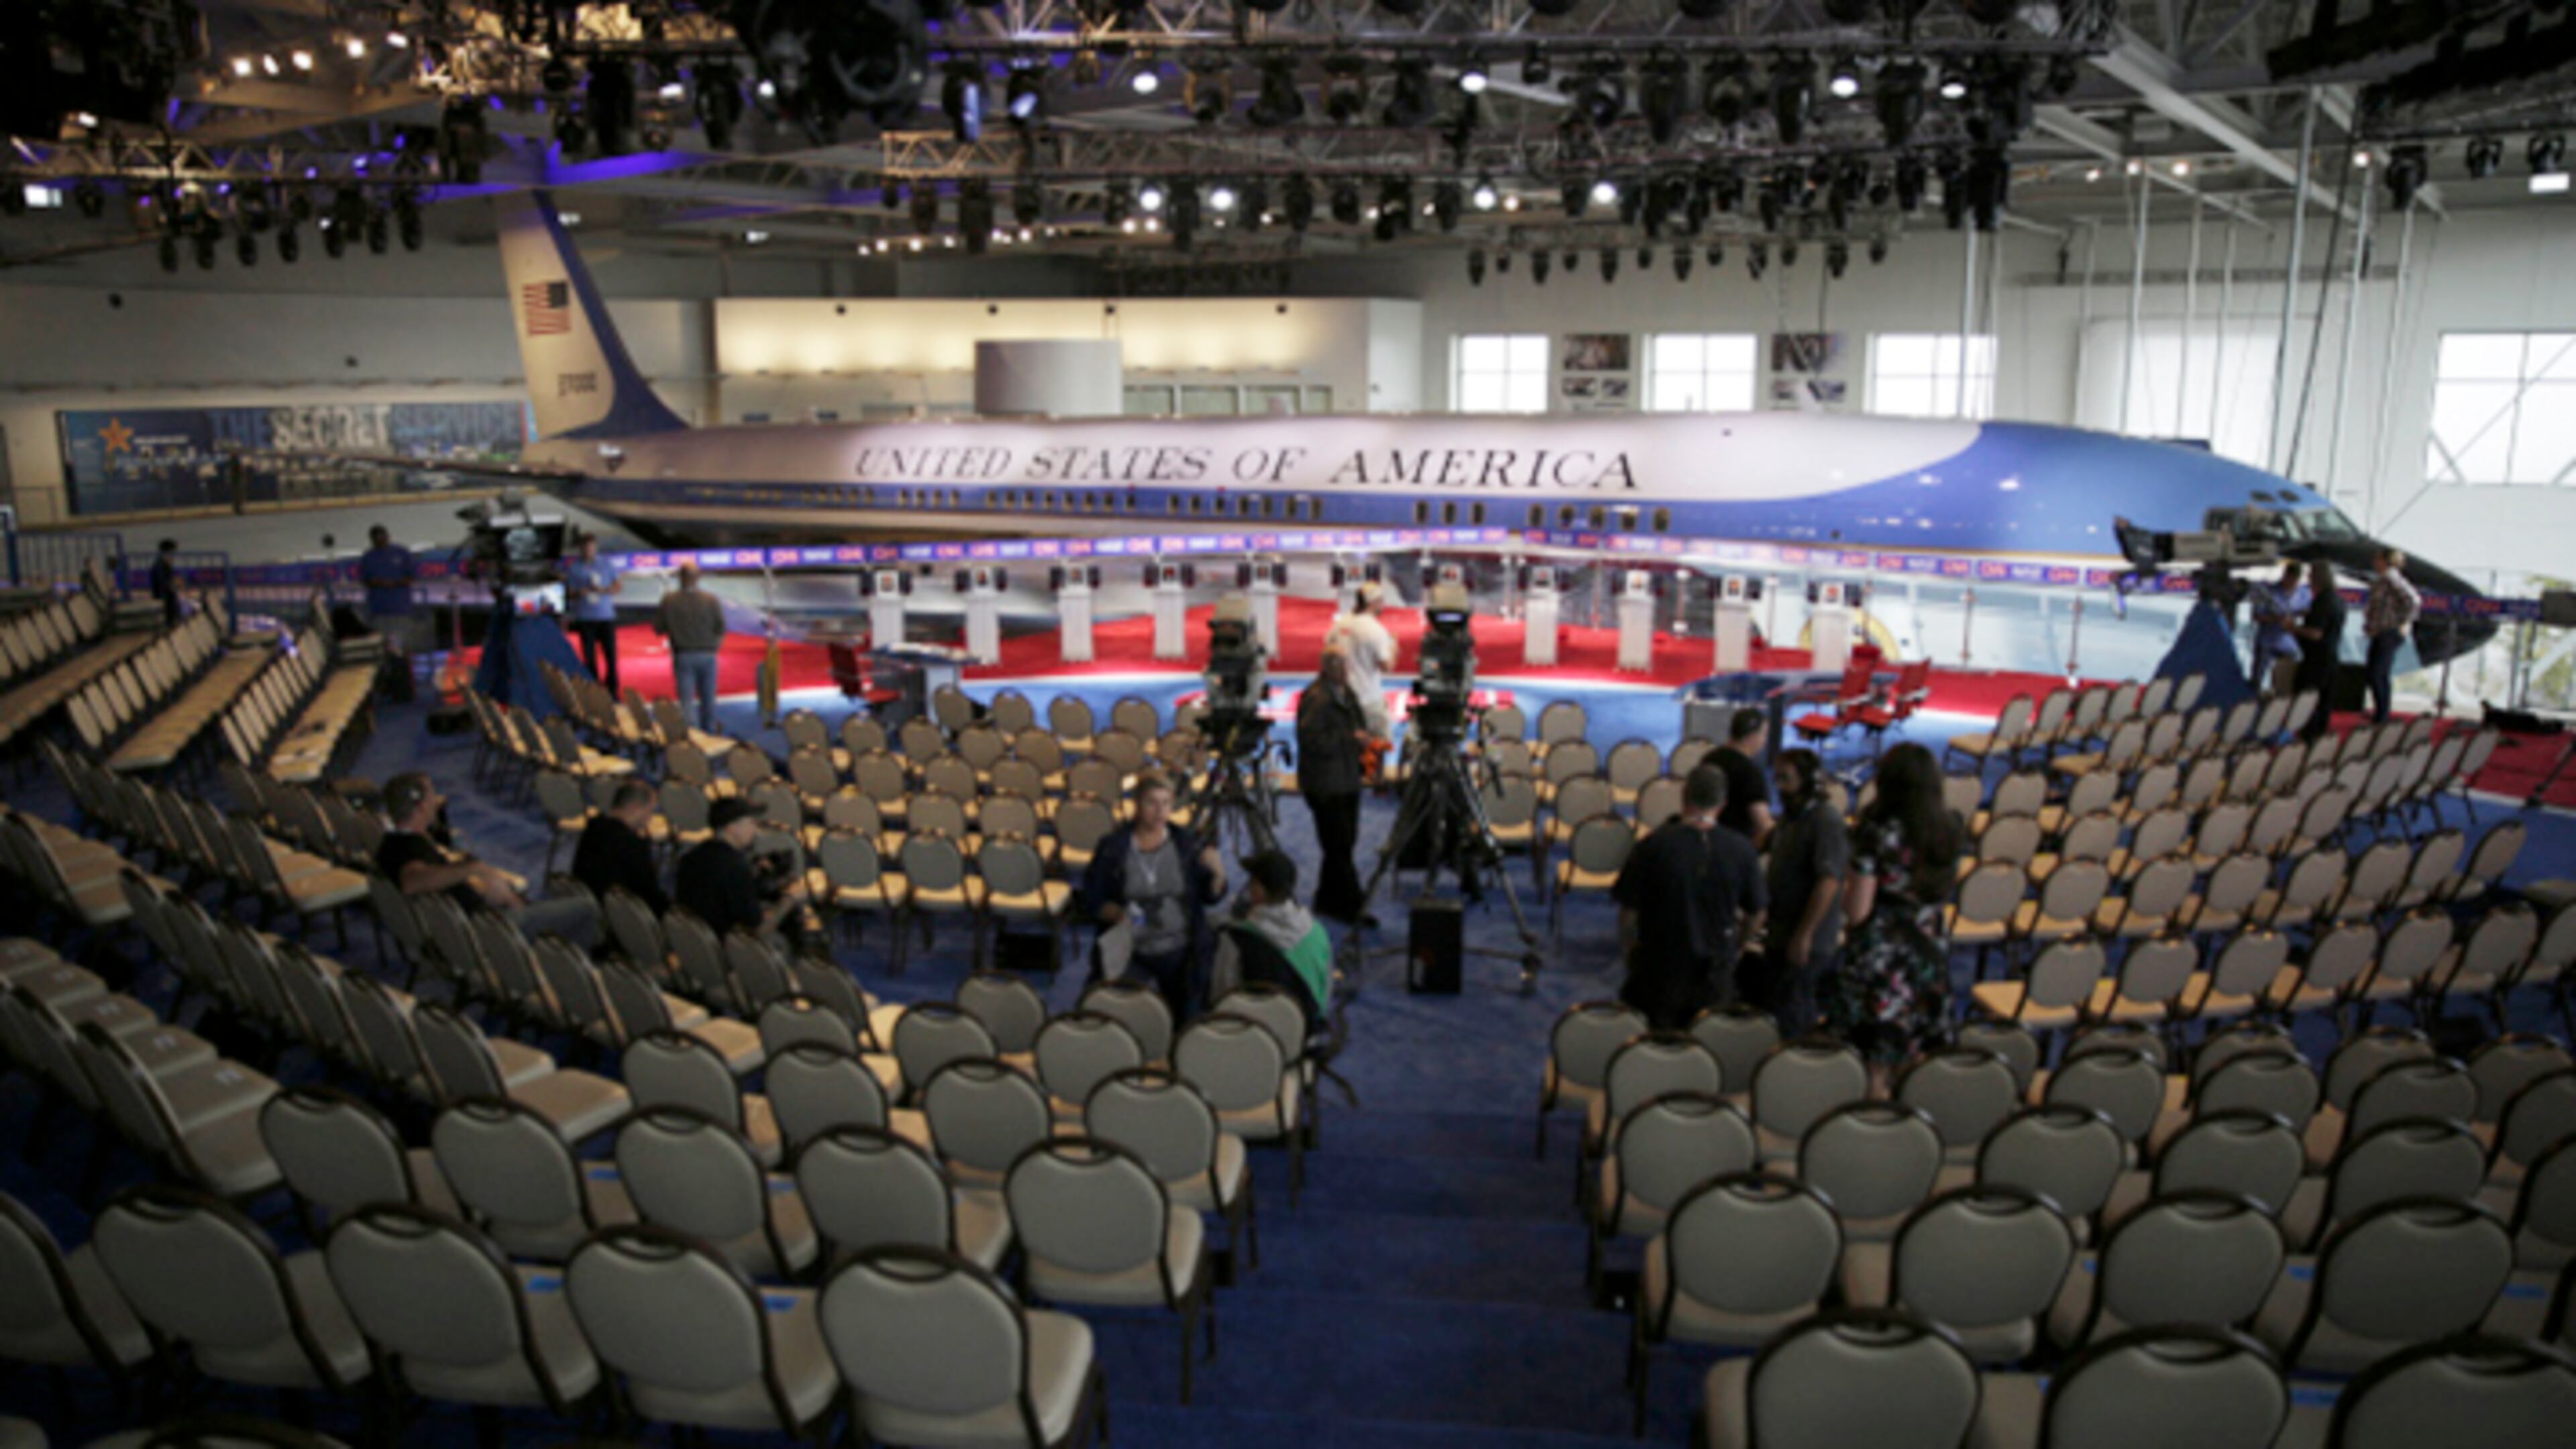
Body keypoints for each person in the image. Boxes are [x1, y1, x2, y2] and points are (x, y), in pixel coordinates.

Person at [1823, 742, 1964, 1089]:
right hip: (1929, 951)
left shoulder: (1876, 831)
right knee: (1915, 1063)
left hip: (1881, 960)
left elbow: (1858, 912)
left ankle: (1875, 1139)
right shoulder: (1950, 829)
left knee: (1874, 1067)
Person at [1611, 764, 1767, 1031]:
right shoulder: (1741, 850)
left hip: (1659, 969)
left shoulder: (1654, 845)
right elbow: (1757, 912)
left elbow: (1628, 913)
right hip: (1714, 973)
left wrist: (1629, 951)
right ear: (1723, 803)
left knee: (1656, 1048)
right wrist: (1738, 948)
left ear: (1684, 796)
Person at [378, 771, 596, 943]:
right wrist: (472, 869)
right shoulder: (407, 849)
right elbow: (412, 881)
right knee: (587, 908)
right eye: (432, 795)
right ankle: (571, 975)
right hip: (488, 932)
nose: (437, 801)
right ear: (421, 806)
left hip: (471, 925)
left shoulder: (388, 844)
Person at [1080, 771, 1226, 1020]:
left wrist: (1219, 875)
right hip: (1132, 947)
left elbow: (1210, 897)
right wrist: (1115, 913)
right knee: (1113, 1017)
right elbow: (1092, 899)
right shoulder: (1114, 848)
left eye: (1166, 803)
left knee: (1187, 1020)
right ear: (1137, 804)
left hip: (1181, 946)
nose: (1160, 811)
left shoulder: (1185, 843)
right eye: (1151, 803)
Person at [1752, 748, 1847, 1036]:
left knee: (1794, 1010)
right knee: (1779, 1005)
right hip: (1781, 931)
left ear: (1806, 780)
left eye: (1786, 779)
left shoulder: (1824, 821)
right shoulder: (1792, 817)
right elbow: (1762, 845)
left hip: (1807, 937)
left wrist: (1804, 935)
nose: (1779, 786)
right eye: (1777, 778)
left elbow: (1829, 880)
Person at [1210, 848, 1334, 1029]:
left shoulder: (1236, 941)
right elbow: (1326, 986)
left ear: (1259, 889)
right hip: (1311, 1025)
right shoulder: (1317, 930)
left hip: (1266, 1037)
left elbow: (1223, 999)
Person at [1295, 651, 1371, 924]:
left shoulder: (1344, 693)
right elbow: (1313, 741)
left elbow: (1357, 723)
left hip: (1345, 779)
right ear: (1327, 669)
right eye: (1339, 666)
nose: (1345, 671)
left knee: (1341, 845)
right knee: (1339, 846)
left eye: (1346, 665)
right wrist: (1351, 739)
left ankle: (1327, 899)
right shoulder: (1318, 699)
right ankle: (1351, 906)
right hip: (1326, 785)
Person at [676, 797, 810, 943]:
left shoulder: (691, 857)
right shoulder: (736, 868)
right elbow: (756, 931)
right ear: (732, 827)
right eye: (751, 823)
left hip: (695, 943)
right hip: (727, 949)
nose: (756, 830)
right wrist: (790, 898)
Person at [571, 778, 666, 914]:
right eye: (649, 811)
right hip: (619, 914)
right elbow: (649, 895)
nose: (650, 819)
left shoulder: (594, 828)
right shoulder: (631, 845)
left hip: (588, 905)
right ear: (635, 808)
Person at [655, 562, 728, 734]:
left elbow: (658, 628)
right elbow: (721, 626)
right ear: (698, 578)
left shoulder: (669, 600)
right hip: (708, 653)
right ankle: (709, 733)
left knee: (686, 701)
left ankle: (692, 737)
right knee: (709, 699)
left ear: (680, 578)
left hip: (683, 654)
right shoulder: (711, 600)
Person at [1324, 580, 1397, 743]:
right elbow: (1387, 665)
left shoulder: (1341, 623)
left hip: (1342, 699)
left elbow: (1328, 649)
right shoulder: (1374, 629)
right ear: (1374, 603)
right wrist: (1394, 648)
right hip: (1368, 699)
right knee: (1381, 744)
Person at [2363, 548, 2420, 724]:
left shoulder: (2391, 578)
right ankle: (2382, 711)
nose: (2375, 561)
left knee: (2377, 673)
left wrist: (2404, 622)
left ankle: (2382, 714)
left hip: (2388, 631)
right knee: (2379, 673)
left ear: (2386, 561)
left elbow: (2412, 600)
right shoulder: (2382, 579)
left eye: (2378, 558)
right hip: (2379, 631)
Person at [2292, 570, 2349, 744]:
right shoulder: (2339, 601)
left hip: (2316, 659)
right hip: (2331, 657)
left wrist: (2293, 628)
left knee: (2307, 702)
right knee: (2325, 703)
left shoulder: (2322, 602)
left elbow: (2316, 633)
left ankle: (2307, 738)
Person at [564, 534, 625, 695]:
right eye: (585, 548)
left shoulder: (606, 564)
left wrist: (604, 590)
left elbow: (618, 586)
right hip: (585, 617)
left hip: (606, 616)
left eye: (591, 548)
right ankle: (593, 689)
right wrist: (579, 593)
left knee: (611, 656)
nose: (588, 551)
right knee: (589, 656)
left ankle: (613, 689)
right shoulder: (575, 568)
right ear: (581, 549)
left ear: (595, 548)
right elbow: (569, 593)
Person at [1713, 706, 1776, 847]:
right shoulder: (1749, 772)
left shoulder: (1709, 759)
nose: (1764, 742)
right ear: (1751, 735)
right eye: (1764, 735)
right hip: (1735, 848)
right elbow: (1762, 822)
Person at [2250, 561, 2311, 696]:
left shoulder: (2304, 593)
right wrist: (2278, 619)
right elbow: (2256, 616)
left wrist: (2297, 616)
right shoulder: (2266, 590)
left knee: (2293, 670)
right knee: (2258, 676)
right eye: (2290, 578)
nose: (2292, 583)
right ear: (2285, 575)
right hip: (2267, 640)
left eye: (2296, 580)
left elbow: (2308, 612)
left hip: (2288, 641)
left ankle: (2285, 696)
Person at [358, 525, 421, 657]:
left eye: (382, 536)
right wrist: (380, 583)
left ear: (387, 536)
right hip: (379, 610)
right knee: (382, 648)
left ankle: (403, 668)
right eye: (376, 538)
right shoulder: (368, 558)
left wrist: (394, 583)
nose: (380, 540)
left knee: (400, 647)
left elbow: (412, 577)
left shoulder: (401, 553)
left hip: (400, 608)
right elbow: (365, 580)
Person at [148, 539, 181, 625]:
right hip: (162, 595)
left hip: (166, 593)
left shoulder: (163, 563)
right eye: (171, 552)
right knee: (172, 606)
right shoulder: (160, 564)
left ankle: (173, 622)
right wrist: (171, 586)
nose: (173, 556)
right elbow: (162, 581)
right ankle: (171, 624)